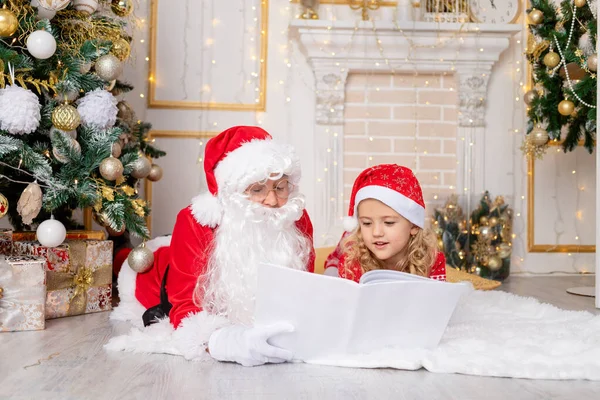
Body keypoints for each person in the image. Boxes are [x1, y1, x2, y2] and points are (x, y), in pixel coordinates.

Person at [112, 126, 315, 366]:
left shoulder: (292, 215)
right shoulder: (194, 220)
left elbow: (306, 288)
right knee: (131, 264)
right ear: (231, 192)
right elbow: (183, 304)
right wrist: (223, 341)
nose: (272, 201)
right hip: (158, 277)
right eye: (257, 189)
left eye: (280, 187)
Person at [324, 164, 446, 282]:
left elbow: (437, 300)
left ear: (413, 225)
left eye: (388, 222)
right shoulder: (352, 261)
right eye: (367, 223)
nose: (376, 232)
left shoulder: (431, 260)